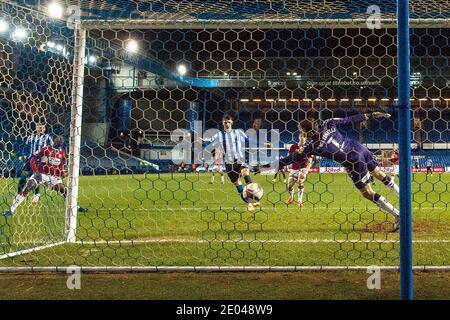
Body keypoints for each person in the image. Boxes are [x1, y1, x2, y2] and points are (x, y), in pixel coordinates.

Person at [266, 112, 401, 231]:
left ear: (310, 132)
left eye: (303, 132)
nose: (302, 134)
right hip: (358, 147)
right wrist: (369, 115)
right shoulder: (327, 123)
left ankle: (398, 215)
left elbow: (290, 159)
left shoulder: (311, 146)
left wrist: (268, 166)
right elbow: (349, 119)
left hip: (353, 161)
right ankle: (403, 197)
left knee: (368, 192)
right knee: (378, 173)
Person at [3, 136, 88, 217]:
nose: (59, 140)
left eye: (61, 139)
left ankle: (76, 207)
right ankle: (11, 210)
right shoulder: (45, 149)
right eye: (58, 139)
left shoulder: (62, 154)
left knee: (64, 190)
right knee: (29, 186)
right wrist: (36, 171)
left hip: (53, 177)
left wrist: (63, 173)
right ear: (54, 140)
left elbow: (59, 168)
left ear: (62, 142)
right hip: (40, 174)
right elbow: (33, 159)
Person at [203, 112, 258, 210]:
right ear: (222, 123)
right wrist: (200, 140)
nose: (227, 124)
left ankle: (255, 199)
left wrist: (263, 144)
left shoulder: (238, 132)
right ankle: (249, 203)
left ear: (231, 122)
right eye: (225, 122)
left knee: (246, 174)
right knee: (237, 184)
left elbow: (248, 140)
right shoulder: (219, 135)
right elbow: (209, 141)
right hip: (228, 163)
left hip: (239, 159)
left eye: (228, 122)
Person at [17, 123, 53, 203]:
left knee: (35, 177)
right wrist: (24, 155)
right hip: (30, 159)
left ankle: (36, 194)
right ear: (36, 128)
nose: (40, 129)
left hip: (40, 161)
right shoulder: (31, 137)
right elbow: (26, 147)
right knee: (23, 176)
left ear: (44, 129)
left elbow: (51, 148)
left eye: (42, 127)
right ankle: (19, 194)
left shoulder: (48, 138)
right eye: (38, 127)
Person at [286, 133, 313, 207]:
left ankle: (299, 201)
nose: (302, 137)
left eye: (304, 136)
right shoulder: (293, 147)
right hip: (294, 168)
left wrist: (305, 171)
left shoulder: (308, 148)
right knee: (289, 186)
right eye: (301, 136)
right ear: (298, 137)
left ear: (306, 138)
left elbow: (310, 161)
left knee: (300, 181)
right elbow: (289, 157)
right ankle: (292, 197)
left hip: (303, 168)